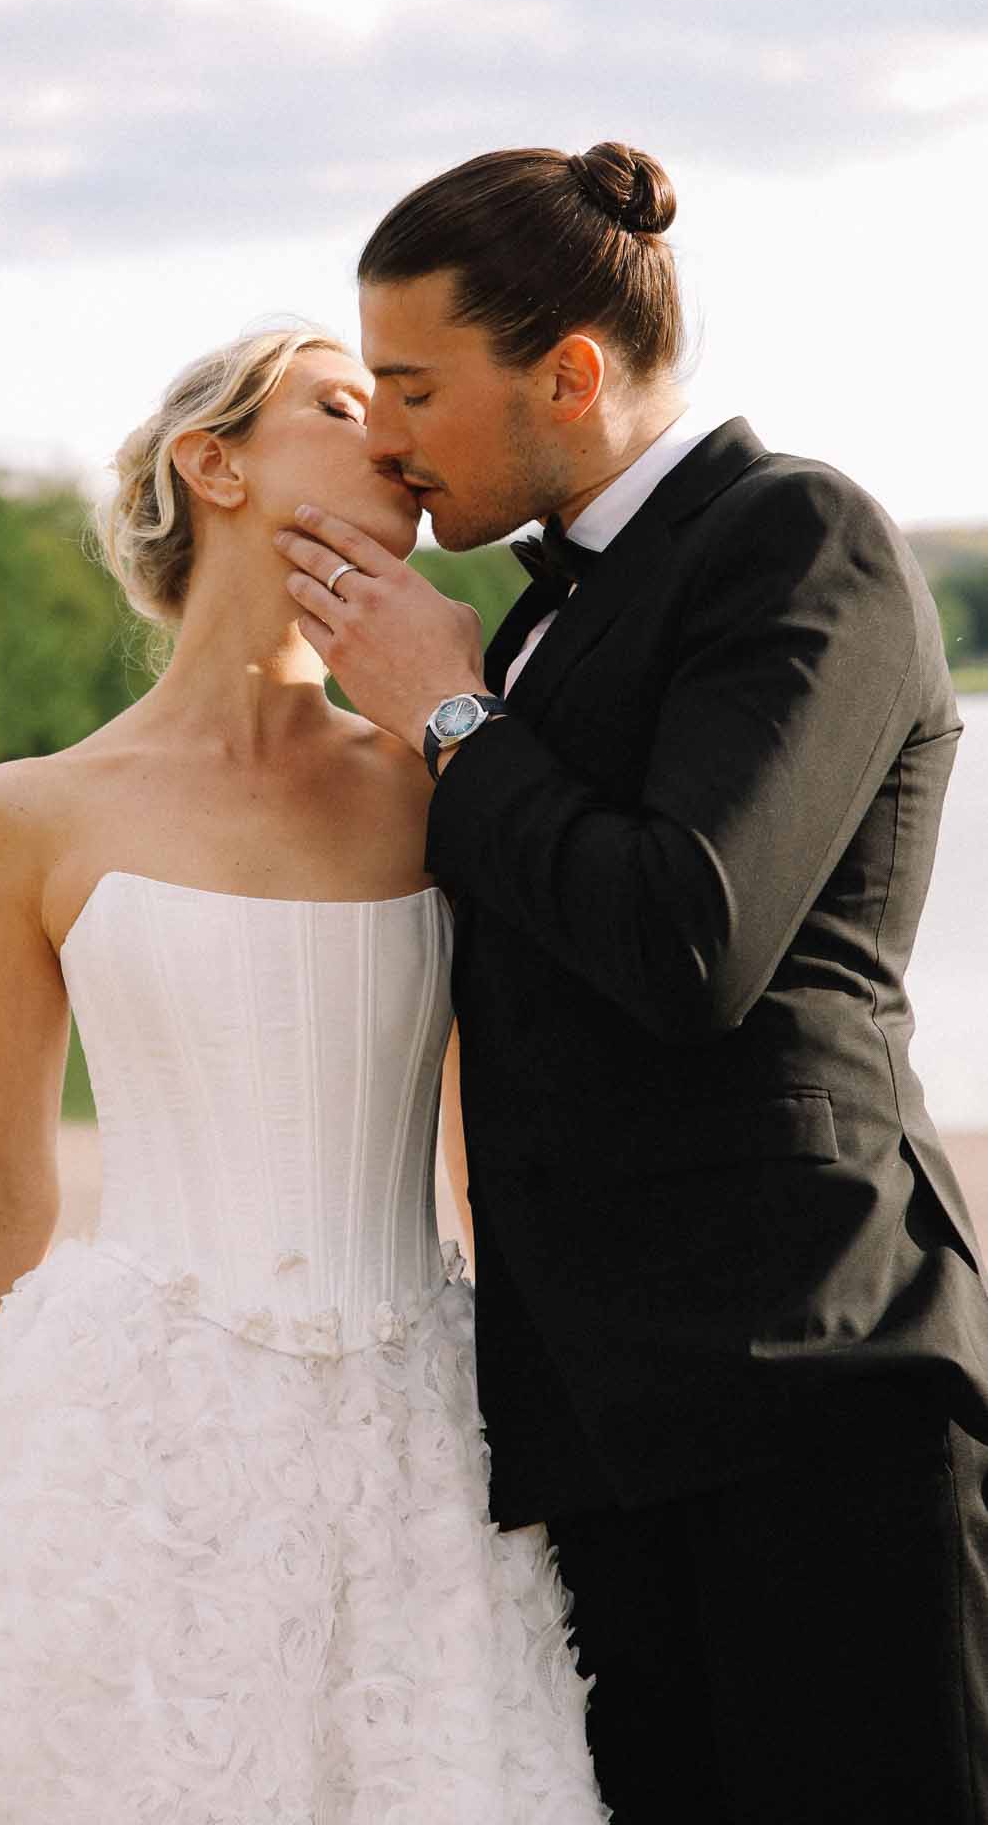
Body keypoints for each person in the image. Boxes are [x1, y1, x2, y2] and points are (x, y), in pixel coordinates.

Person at [0, 325, 608, 1822]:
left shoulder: (446, 778)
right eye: (340, 404)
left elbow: (491, 1158)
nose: (392, 435)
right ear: (215, 465)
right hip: (124, 1441)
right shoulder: (30, 813)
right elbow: (3, 1180)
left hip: (413, 1448)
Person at [274, 140, 988, 1824]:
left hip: (810, 1389)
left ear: (570, 374)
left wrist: (449, 719)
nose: (384, 435)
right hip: (595, 1423)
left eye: (412, 388)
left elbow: (690, 939)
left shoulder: (796, 536)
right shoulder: (530, 619)